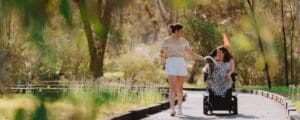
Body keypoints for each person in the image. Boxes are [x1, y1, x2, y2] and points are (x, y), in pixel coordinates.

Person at [160, 23, 203, 116]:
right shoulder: (167, 41)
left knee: (179, 88)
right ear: (176, 31)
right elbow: (162, 52)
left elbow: (191, 53)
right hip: (171, 62)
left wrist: (203, 58)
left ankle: (179, 109)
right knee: (172, 86)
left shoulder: (184, 41)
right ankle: (172, 109)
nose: (182, 32)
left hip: (181, 63)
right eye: (181, 31)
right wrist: (163, 55)